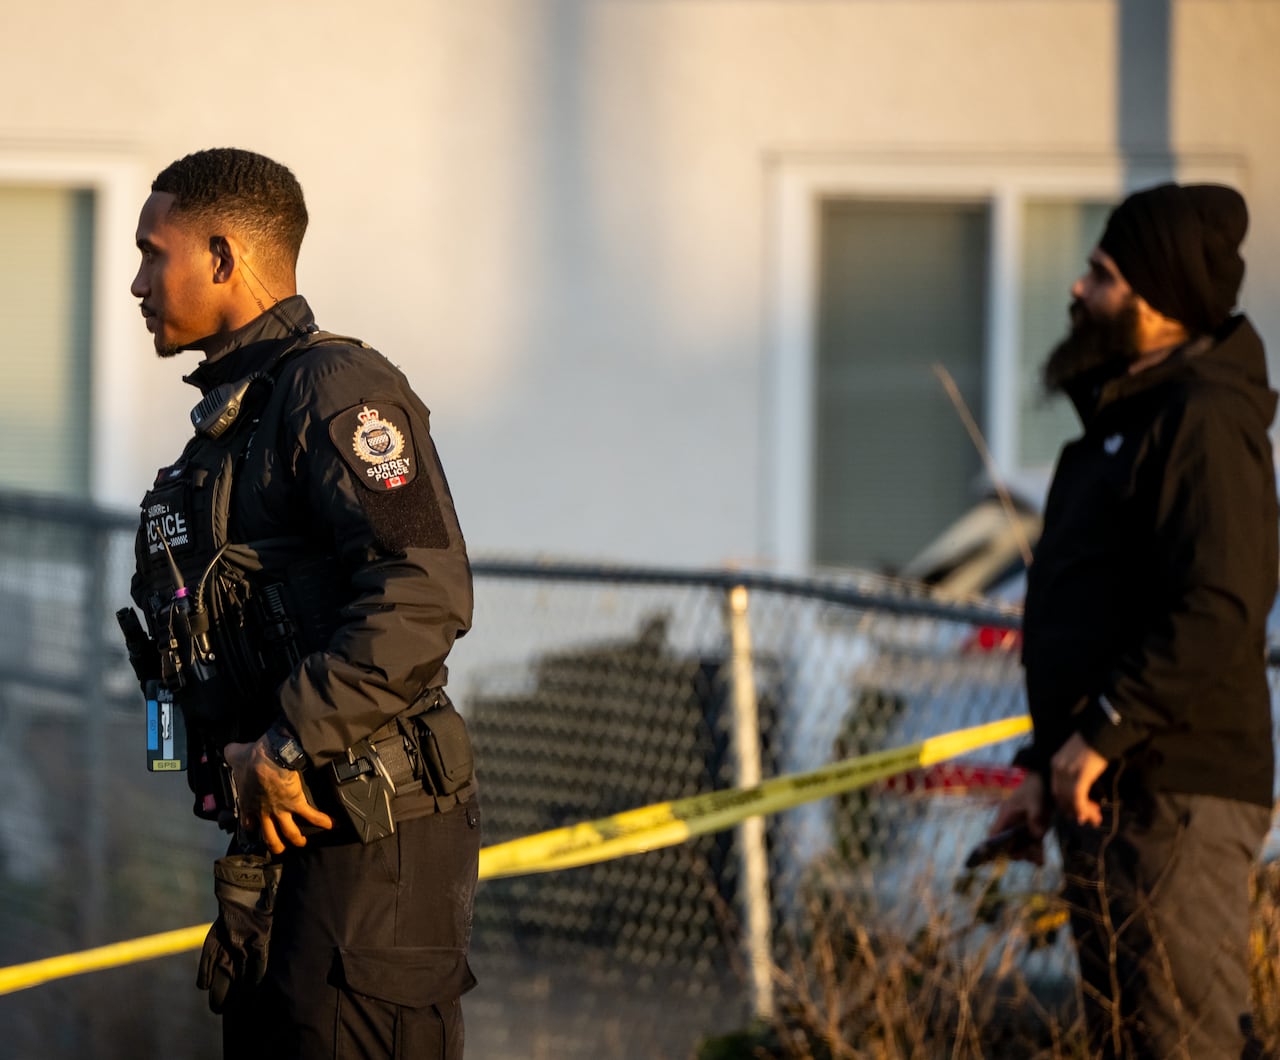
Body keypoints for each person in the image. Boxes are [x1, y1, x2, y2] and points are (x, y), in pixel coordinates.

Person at [119, 147, 480, 1059]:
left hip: (368, 837)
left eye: (151, 253)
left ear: (222, 255)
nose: (135, 282)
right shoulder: (226, 430)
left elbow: (424, 590)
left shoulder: (341, 390)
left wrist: (287, 743)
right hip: (276, 836)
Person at [987, 182, 1277, 1058]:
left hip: (1175, 794)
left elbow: (1219, 608)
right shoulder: (1123, 424)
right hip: (1112, 791)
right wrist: (1048, 760)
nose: (1078, 290)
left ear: (1161, 304)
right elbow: (1107, 614)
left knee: (1183, 1043)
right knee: (1130, 1040)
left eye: (1102, 275)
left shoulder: (1204, 421)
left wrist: (1102, 733)